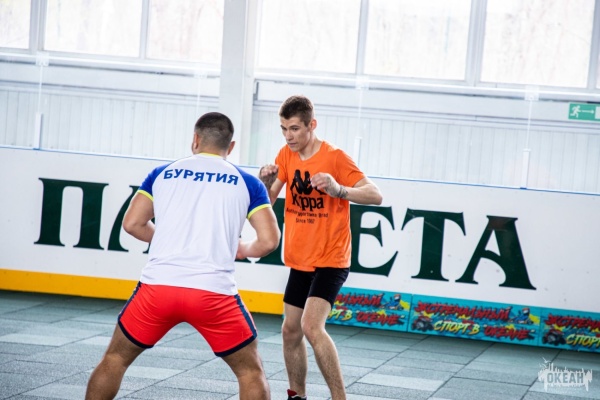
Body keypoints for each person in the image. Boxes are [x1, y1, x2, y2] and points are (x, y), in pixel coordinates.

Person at [86, 112, 280, 400]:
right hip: (213, 293)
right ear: (231, 146)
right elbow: (269, 241)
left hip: (158, 289)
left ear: (195, 140)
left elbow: (132, 224)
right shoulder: (248, 182)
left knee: (115, 359)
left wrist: (170, 240)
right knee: (251, 372)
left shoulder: (162, 173)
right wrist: (242, 249)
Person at [259, 95, 383, 400]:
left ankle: (339, 398)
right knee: (290, 330)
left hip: (331, 258)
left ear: (311, 125)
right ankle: (297, 396)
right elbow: (268, 201)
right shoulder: (285, 155)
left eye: (294, 129)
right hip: (300, 258)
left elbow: (375, 195)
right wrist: (264, 183)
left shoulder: (335, 157)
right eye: (284, 129)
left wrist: (339, 189)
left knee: (311, 327)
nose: (288, 136)